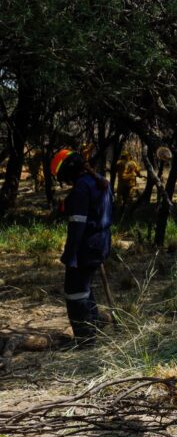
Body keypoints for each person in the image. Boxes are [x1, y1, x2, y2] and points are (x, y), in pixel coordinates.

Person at [50, 148, 113, 347]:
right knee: (84, 287)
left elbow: (78, 226)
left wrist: (70, 255)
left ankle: (86, 340)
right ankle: (93, 325)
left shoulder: (81, 188)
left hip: (86, 246)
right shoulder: (99, 181)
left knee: (74, 291)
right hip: (101, 243)